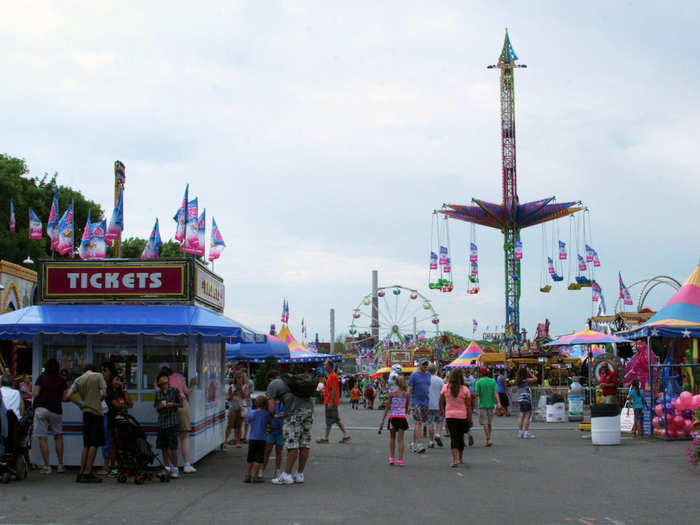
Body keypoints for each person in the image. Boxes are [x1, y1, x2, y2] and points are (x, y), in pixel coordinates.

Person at [266, 370, 313, 485]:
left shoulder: (272, 385)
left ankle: (286, 475)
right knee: (304, 443)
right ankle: (299, 474)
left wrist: (271, 418)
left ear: (270, 380)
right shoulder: (291, 379)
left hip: (293, 413)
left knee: (292, 443)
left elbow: (271, 409)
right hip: (308, 409)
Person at [64, 364, 107, 483]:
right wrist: (98, 401)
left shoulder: (78, 380)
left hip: (86, 413)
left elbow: (67, 396)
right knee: (94, 443)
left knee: (86, 444)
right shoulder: (98, 376)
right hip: (97, 413)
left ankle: (81, 471)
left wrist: (80, 404)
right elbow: (104, 393)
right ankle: (88, 472)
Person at [32, 358, 68, 474]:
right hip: (56, 410)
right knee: (58, 436)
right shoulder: (61, 380)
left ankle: (47, 466)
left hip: (41, 408)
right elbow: (64, 397)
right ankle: (60, 464)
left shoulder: (41, 378)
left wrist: (29, 392)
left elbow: (36, 393)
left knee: (43, 437)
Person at [163, 364, 197, 473]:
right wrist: (192, 385)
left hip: (167, 407)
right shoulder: (179, 376)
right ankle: (186, 464)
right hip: (182, 404)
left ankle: (171, 465)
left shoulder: (159, 379)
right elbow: (187, 393)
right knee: (184, 436)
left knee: (170, 437)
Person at [440, 368, 472, 467]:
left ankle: (455, 460)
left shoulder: (446, 387)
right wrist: (470, 418)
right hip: (462, 415)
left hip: (450, 416)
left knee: (453, 437)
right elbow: (468, 405)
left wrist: (442, 410)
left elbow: (441, 401)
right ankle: (461, 458)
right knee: (460, 437)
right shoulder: (465, 389)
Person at [154, 371, 183, 479]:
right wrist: (160, 406)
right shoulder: (158, 393)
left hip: (172, 421)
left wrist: (172, 404)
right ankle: (166, 467)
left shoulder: (174, 391)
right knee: (163, 446)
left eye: (165, 381)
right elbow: (156, 407)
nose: (164, 383)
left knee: (173, 446)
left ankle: (175, 468)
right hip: (162, 422)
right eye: (162, 382)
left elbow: (181, 404)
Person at [104, 374, 133, 475]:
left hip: (123, 420)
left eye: (120, 380)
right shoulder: (109, 391)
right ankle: (113, 468)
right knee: (113, 444)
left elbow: (131, 404)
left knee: (123, 443)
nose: (118, 382)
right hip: (113, 419)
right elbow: (115, 405)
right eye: (116, 379)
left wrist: (124, 390)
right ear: (111, 381)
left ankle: (124, 466)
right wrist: (124, 405)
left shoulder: (121, 391)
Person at [317, 360, 350, 444]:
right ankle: (328, 437)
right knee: (332, 419)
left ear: (330, 366)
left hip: (331, 402)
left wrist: (331, 401)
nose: (324, 366)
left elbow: (334, 389)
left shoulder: (333, 376)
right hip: (329, 400)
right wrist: (324, 391)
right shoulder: (330, 376)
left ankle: (342, 435)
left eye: (325, 365)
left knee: (333, 419)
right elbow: (331, 389)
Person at [379, 374, 410, 466]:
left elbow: (387, 407)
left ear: (396, 383)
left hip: (393, 417)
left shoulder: (392, 393)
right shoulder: (406, 394)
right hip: (402, 417)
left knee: (392, 438)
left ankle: (392, 458)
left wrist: (383, 420)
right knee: (401, 439)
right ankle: (400, 460)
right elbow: (407, 408)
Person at [244, 394, 270, 483]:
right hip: (262, 438)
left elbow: (248, 421)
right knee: (259, 458)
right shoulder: (266, 414)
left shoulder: (252, 413)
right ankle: (256, 476)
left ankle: (248, 475)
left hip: (252, 437)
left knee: (250, 457)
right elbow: (269, 424)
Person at [97, 361, 116, 476]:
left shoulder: (107, 384)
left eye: (103, 370)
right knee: (113, 442)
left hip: (108, 416)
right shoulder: (115, 382)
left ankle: (106, 466)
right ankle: (113, 467)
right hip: (114, 416)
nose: (101, 373)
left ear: (107, 370)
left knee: (107, 440)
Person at [407, 358, 431, 453]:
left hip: (425, 401)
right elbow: (409, 391)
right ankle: (420, 445)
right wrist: (408, 405)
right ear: (419, 365)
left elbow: (428, 388)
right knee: (418, 422)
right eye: (423, 364)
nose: (425, 366)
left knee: (420, 422)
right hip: (415, 402)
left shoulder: (429, 375)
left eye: (426, 364)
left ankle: (413, 443)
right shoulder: (414, 375)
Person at [474, 367, 502, 447]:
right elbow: (496, 393)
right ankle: (489, 438)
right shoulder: (493, 381)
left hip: (482, 404)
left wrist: (478, 394)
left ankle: (488, 438)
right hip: (491, 404)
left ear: (481, 374)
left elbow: (476, 393)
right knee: (489, 422)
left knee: (485, 422)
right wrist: (499, 403)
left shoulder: (478, 382)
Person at [224, 371, 249, 447]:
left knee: (239, 425)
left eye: (240, 377)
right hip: (233, 407)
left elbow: (245, 396)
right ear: (235, 378)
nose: (239, 379)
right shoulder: (231, 386)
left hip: (241, 407)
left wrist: (241, 388)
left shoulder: (245, 386)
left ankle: (238, 442)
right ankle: (225, 440)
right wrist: (234, 392)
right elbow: (228, 398)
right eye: (237, 377)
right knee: (230, 425)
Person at [263, 396, 285, 478]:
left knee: (279, 452)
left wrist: (283, 415)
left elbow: (287, 413)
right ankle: (261, 470)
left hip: (281, 431)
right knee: (267, 451)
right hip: (271, 431)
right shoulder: (269, 401)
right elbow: (266, 414)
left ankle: (277, 471)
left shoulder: (284, 402)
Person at [515, 367, 538, 439]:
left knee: (521, 415)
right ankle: (526, 432)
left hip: (520, 399)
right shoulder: (526, 380)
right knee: (528, 415)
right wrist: (530, 373)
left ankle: (520, 432)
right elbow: (535, 379)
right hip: (526, 399)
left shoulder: (518, 381)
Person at [427, 364, 444, 448]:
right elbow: (443, 393)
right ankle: (437, 434)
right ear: (435, 370)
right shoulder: (440, 380)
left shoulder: (425, 379)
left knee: (430, 423)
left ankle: (431, 441)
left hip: (428, 404)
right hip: (438, 404)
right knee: (440, 421)